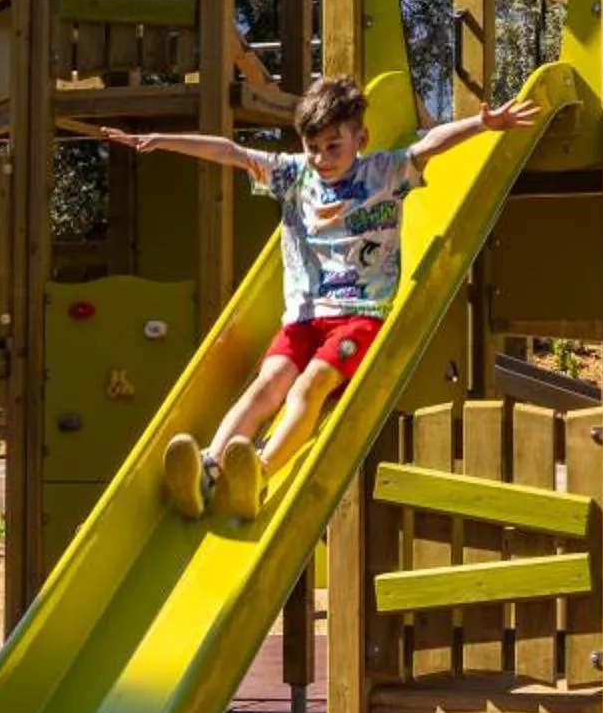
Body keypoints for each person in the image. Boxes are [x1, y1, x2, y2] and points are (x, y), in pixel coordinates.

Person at [95, 75, 543, 521]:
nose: (322, 158)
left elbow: (430, 145)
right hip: (303, 317)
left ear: (359, 137)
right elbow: (228, 151)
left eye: (334, 146)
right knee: (266, 385)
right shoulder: (294, 174)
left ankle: (260, 472)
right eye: (313, 146)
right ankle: (208, 470)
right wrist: (159, 139)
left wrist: (484, 125)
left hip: (359, 316)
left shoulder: (383, 172)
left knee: (310, 386)